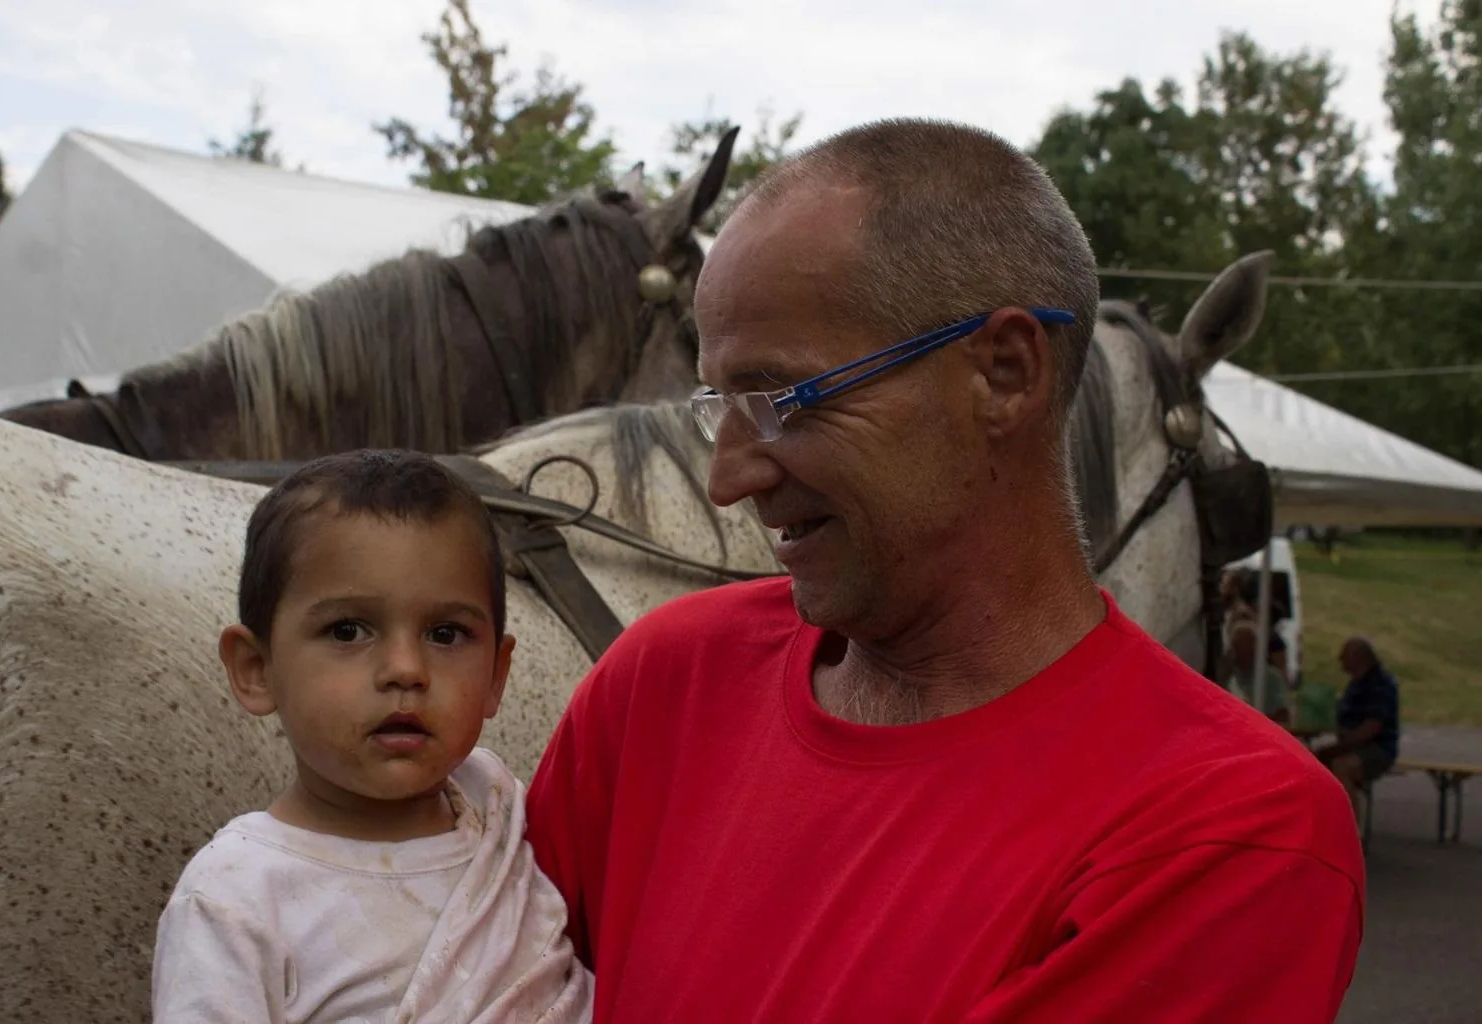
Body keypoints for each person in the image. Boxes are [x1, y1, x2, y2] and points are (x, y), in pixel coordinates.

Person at [524, 119, 1364, 1022]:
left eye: (779, 402)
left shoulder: (1227, 832)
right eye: (718, 406)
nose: (729, 479)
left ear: (1003, 374)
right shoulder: (664, 684)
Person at [152, 450, 591, 1023]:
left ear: (496, 676)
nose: (405, 669)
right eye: (347, 630)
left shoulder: (500, 813)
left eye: (446, 633)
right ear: (256, 670)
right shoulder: (235, 899)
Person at [1318, 636, 1400, 804]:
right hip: (1351, 745)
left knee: (1342, 766)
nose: (1340, 659)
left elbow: (1372, 727)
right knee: (1311, 762)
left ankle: (1351, 822)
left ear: (1358, 658)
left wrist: (1342, 745)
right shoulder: (1356, 684)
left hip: (1377, 749)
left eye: (1344, 655)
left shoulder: (1380, 685)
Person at [1224, 622, 1291, 725]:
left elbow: (1283, 714)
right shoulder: (1227, 679)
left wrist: (1257, 722)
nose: (1243, 650)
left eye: (1247, 645)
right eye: (1238, 645)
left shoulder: (1272, 678)